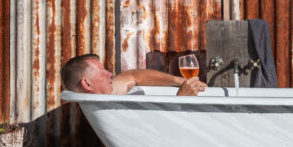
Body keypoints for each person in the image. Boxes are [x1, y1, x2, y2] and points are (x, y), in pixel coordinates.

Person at [61, 54, 207, 96]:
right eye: (102, 72)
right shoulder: (103, 104)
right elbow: (156, 131)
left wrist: (179, 81)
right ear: (87, 84)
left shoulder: (108, 91)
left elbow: (134, 75)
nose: (109, 73)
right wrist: (182, 100)